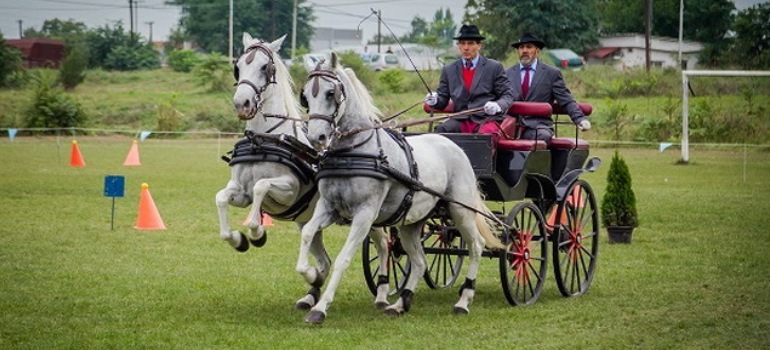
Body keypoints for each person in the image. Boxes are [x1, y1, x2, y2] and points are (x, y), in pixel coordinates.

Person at [424, 24, 515, 134]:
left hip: (486, 120)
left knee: (484, 137)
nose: (466, 48)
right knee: (441, 130)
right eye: (463, 43)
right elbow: (442, 100)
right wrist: (435, 100)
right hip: (461, 119)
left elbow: (507, 95)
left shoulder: (494, 67)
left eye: (470, 43)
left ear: (479, 45)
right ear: (459, 46)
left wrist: (497, 105)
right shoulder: (449, 70)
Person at [505, 32, 590, 142]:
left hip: (538, 126)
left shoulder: (551, 74)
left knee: (542, 136)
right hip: (509, 125)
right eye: (521, 47)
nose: (524, 50)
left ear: (537, 51)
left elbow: (566, 100)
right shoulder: (507, 73)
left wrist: (580, 119)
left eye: (529, 47)